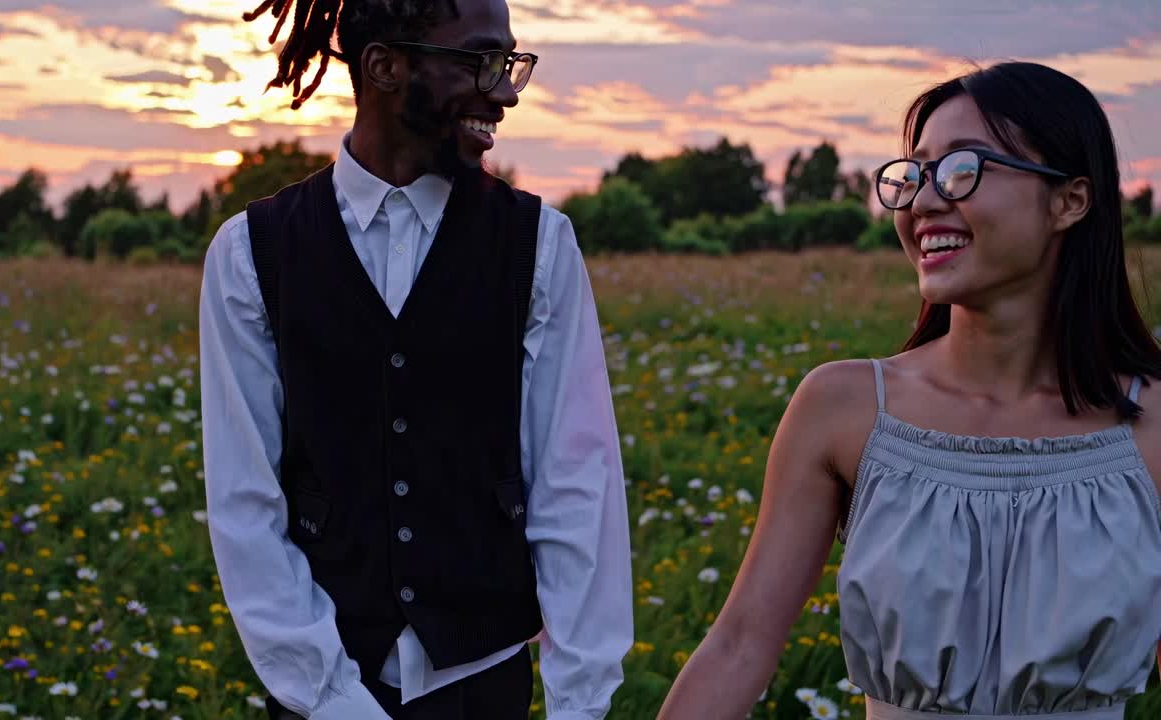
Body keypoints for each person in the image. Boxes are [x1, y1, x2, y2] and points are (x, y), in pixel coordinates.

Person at [657, 61, 1161, 720]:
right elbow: (739, 647)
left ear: (1069, 200)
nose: (922, 202)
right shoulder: (844, 408)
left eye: (962, 170)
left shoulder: (1150, 426)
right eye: (914, 175)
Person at [197, 1, 633, 719]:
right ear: (384, 66)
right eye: (482, 62)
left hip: (485, 685)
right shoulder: (250, 255)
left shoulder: (539, 245)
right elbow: (246, 506)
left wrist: (579, 703)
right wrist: (332, 699)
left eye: (511, 64)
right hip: (322, 692)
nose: (507, 91)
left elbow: (575, 489)